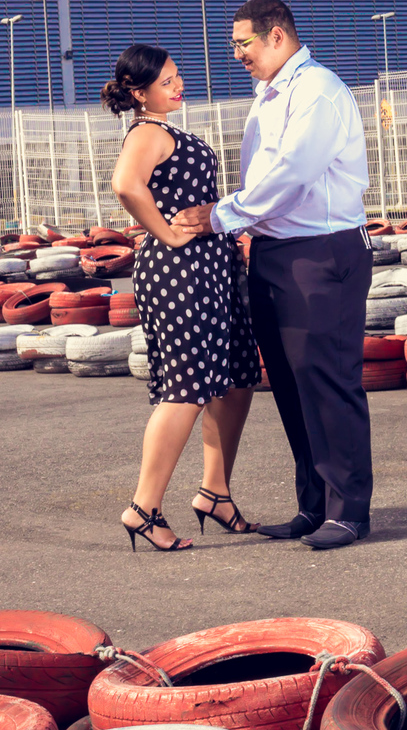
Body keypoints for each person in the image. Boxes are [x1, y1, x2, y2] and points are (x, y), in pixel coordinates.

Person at [173, 0, 374, 550]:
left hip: (321, 251)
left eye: (243, 43)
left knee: (328, 380)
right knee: (289, 384)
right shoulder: (271, 93)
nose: (237, 54)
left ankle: (349, 509)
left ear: (277, 35)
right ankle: (313, 505)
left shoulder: (317, 92)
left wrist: (219, 215)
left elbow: (291, 174)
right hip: (273, 251)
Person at [104, 44, 263, 553]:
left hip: (212, 269)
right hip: (180, 272)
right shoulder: (148, 131)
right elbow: (126, 185)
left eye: (177, 77)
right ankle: (143, 508)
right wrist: (167, 236)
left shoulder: (169, 129)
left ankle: (215, 492)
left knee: (236, 379)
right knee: (187, 388)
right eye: (167, 81)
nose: (178, 85)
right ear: (139, 91)